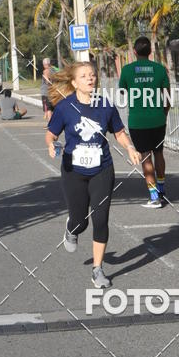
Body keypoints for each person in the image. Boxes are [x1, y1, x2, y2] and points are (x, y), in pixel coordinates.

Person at [46, 61, 141, 289]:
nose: (90, 78)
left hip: (102, 169)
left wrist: (129, 147)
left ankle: (97, 269)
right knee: (81, 222)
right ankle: (72, 227)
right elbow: (51, 134)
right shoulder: (65, 107)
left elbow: (118, 132)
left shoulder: (105, 105)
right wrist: (52, 144)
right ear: (74, 82)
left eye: (92, 75)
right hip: (73, 172)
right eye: (85, 76)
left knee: (101, 219)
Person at [119, 37, 170, 209]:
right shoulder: (160, 69)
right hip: (158, 119)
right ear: (150, 51)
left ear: (134, 51)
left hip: (138, 121)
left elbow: (122, 92)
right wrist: (163, 114)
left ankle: (154, 196)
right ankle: (162, 189)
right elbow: (167, 97)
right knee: (159, 153)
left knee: (146, 156)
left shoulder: (127, 70)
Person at [40, 58, 55, 125]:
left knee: (48, 109)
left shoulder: (46, 71)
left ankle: (50, 124)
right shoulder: (54, 70)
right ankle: (53, 123)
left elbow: (47, 82)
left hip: (46, 92)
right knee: (52, 108)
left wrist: (48, 81)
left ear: (45, 64)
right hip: (53, 91)